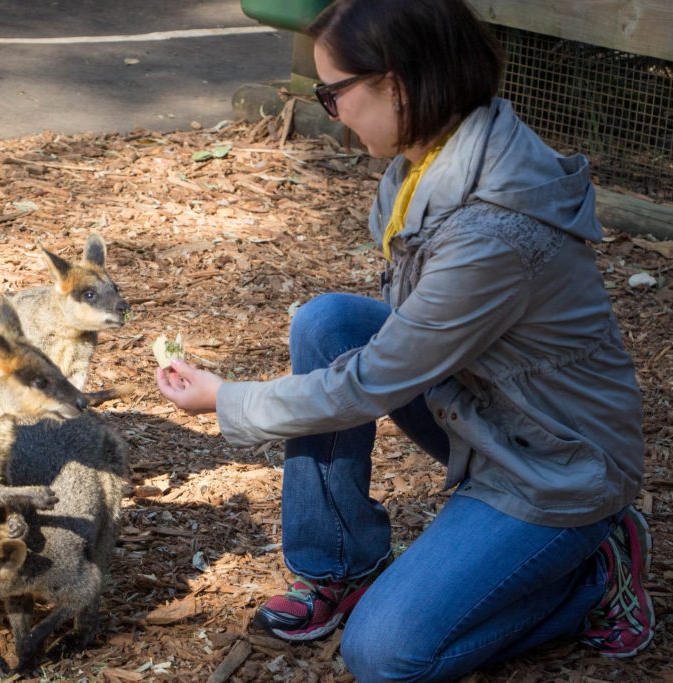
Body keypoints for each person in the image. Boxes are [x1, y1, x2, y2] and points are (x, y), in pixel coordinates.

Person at [155, 0, 654, 679]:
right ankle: (340, 567)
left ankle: (593, 576)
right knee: (327, 323)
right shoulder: (434, 154)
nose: (332, 111)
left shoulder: (492, 230)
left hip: (556, 465)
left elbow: (371, 381)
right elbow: (388, 349)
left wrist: (228, 400)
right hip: (489, 403)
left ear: (398, 83)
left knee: (385, 654)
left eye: (334, 94)